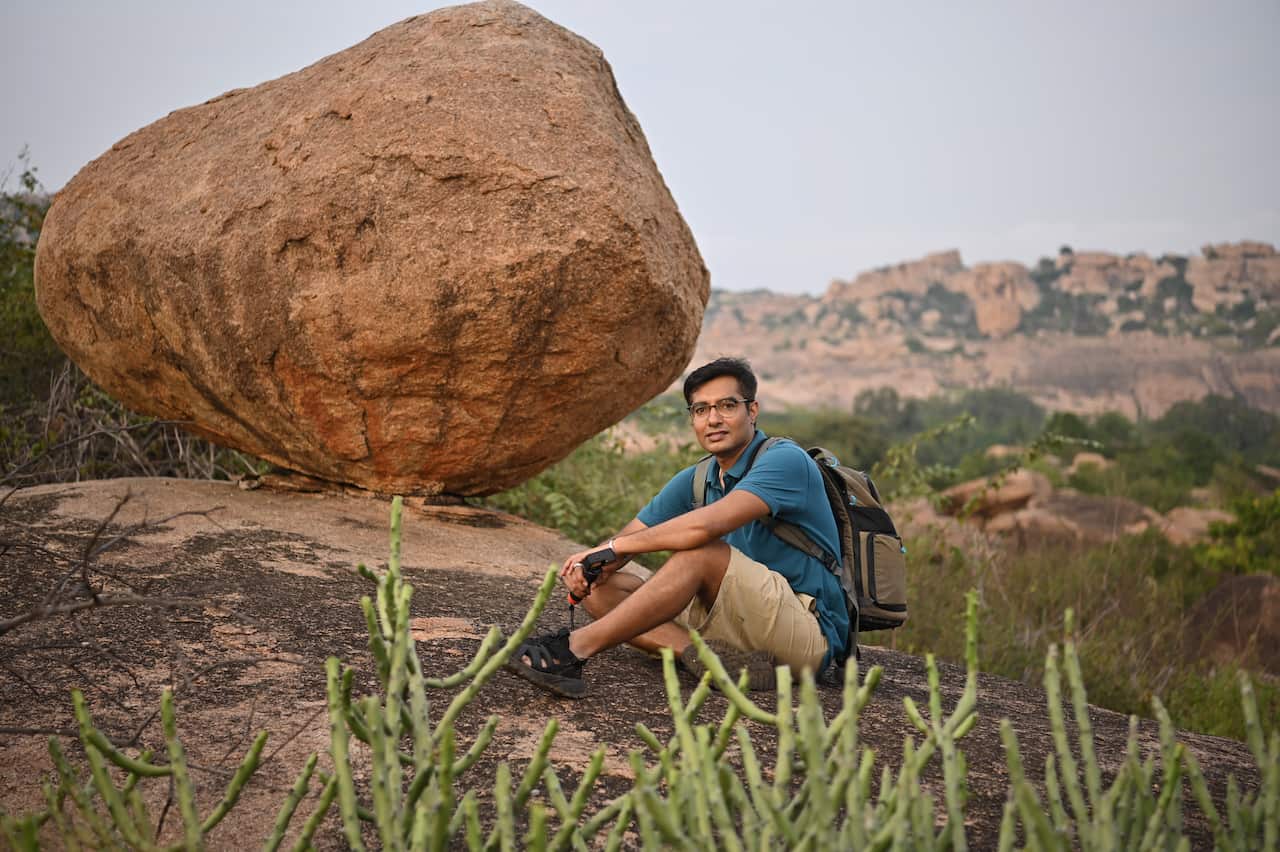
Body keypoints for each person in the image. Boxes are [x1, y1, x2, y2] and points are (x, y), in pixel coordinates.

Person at [505, 357, 849, 698]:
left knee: (701, 552)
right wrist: (590, 565)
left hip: (806, 631)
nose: (713, 419)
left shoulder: (784, 460)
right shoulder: (700, 478)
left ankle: (572, 651)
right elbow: (627, 537)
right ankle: (712, 661)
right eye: (701, 410)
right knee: (600, 584)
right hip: (738, 621)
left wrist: (615, 547)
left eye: (727, 405)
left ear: (753, 410)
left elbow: (703, 529)